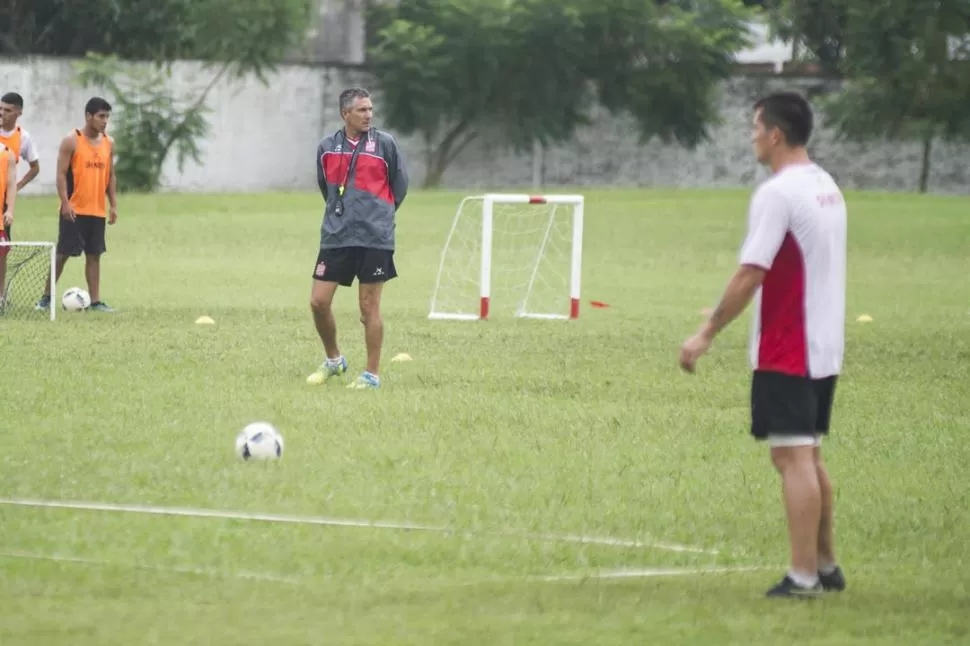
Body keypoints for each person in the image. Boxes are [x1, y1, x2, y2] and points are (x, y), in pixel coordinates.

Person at [679, 91, 848, 599]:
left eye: (755, 127)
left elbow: (753, 271)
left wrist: (706, 332)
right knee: (809, 455)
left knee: (791, 459)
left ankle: (802, 578)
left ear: (774, 134)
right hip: (823, 343)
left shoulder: (778, 193)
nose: (751, 136)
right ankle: (825, 565)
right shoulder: (825, 185)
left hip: (789, 347)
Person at [306, 87, 409, 390]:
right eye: (362, 110)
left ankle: (371, 375)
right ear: (345, 114)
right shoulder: (326, 147)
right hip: (336, 235)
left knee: (368, 309)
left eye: (370, 109)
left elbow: (399, 187)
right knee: (318, 302)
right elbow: (326, 189)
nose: (369, 115)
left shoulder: (385, 144)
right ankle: (334, 360)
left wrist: (378, 214)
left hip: (374, 236)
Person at [36, 97, 118, 313]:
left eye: (107, 117)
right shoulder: (71, 141)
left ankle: (96, 301)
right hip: (74, 210)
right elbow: (61, 175)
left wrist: (113, 205)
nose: (105, 121)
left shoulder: (109, 143)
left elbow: (111, 176)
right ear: (88, 116)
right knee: (63, 253)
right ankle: (45, 298)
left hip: (97, 210)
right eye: (101, 116)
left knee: (94, 255)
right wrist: (65, 203)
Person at [0, 92, 40, 304]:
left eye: (7, 110)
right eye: (1, 109)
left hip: (3, 201)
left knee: (2, 251)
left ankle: (1, 297)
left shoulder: (23, 138)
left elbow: (35, 167)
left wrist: (17, 186)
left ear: (18, 112)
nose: (2, 113)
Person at [0, 143, 17, 307]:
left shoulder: (7, 154)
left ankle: (0, 296)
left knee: (1, 257)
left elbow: (11, 185)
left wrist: (10, 210)